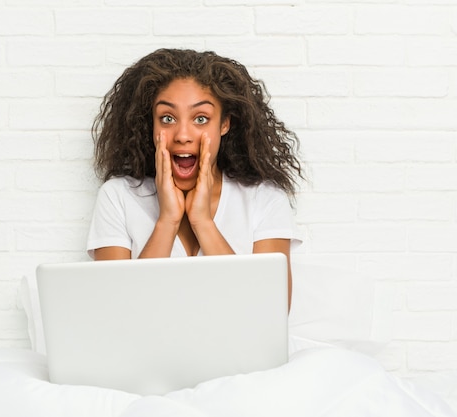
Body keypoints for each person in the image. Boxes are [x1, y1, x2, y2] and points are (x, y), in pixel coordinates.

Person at [87, 48, 303, 308]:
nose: (182, 135)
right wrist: (167, 220)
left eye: (201, 119)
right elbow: (114, 311)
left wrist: (203, 222)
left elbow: (272, 311)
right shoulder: (118, 196)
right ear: (151, 125)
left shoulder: (264, 199)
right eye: (167, 118)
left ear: (224, 124)